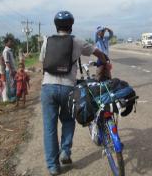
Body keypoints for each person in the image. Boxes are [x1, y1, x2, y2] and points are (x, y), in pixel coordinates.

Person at [39, 11, 107, 176]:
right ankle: (65, 151)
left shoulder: (47, 40)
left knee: (49, 127)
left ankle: (53, 166)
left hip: (48, 87)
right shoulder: (77, 41)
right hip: (69, 88)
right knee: (68, 120)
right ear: (71, 26)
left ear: (56, 26)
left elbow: (42, 62)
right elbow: (97, 52)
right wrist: (104, 61)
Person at [2, 36, 17, 102]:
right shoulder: (6, 51)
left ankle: (15, 97)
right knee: (11, 84)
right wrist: (11, 70)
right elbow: (7, 61)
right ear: (6, 43)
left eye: (11, 41)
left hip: (13, 70)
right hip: (10, 70)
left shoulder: (10, 50)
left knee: (14, 83)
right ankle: (11, 98)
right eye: (10, 42)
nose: (11, 43)